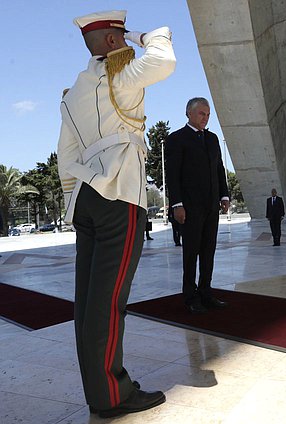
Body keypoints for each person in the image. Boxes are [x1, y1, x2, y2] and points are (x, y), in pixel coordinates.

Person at [57, 10, 175, 418]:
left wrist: (74, 203)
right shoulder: (119, 77)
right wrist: (142, 35)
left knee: (89, 304)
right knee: (109, 304)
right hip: (118, 194)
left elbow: (66, 156)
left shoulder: (73, 92)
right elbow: (164, 55)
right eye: (121, 37)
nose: (126, 42)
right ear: (112, 42)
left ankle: (99, 391)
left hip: (87, 197)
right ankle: (113, 395)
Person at [165, 97, 230, 314]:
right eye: (202, 113)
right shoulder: (177, 139)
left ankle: (206, 292)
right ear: (189, 114)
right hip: (190, 208)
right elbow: (173, 176)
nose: (206, 117)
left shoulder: (212, 139)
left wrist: (224, 196)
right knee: (191, 252)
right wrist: (177, 205)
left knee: (208, 251)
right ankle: (190, 296)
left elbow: (219, 169)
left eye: (208, 114)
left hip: (211, 206)